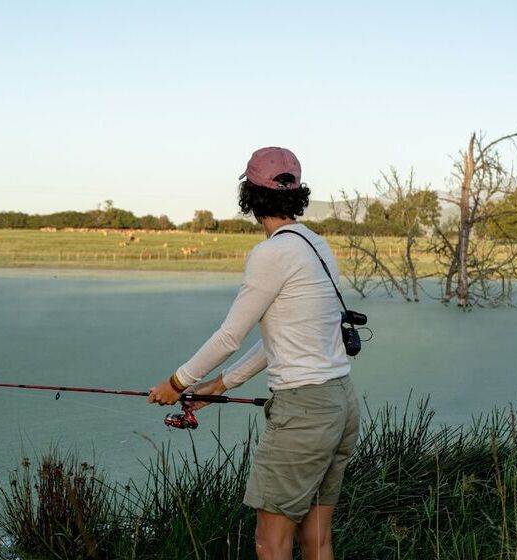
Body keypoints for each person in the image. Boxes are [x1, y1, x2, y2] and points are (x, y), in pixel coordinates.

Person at [148, 147, 360, 560]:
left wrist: (176, 384)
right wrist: (221, 385)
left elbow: (230, 337)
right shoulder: (316, 246)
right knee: (317, 539)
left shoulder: (271, 254)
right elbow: (281, 338)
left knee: (271, 543)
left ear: (249, 195)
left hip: (304, 412)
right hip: (340, 402)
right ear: (296, 193)